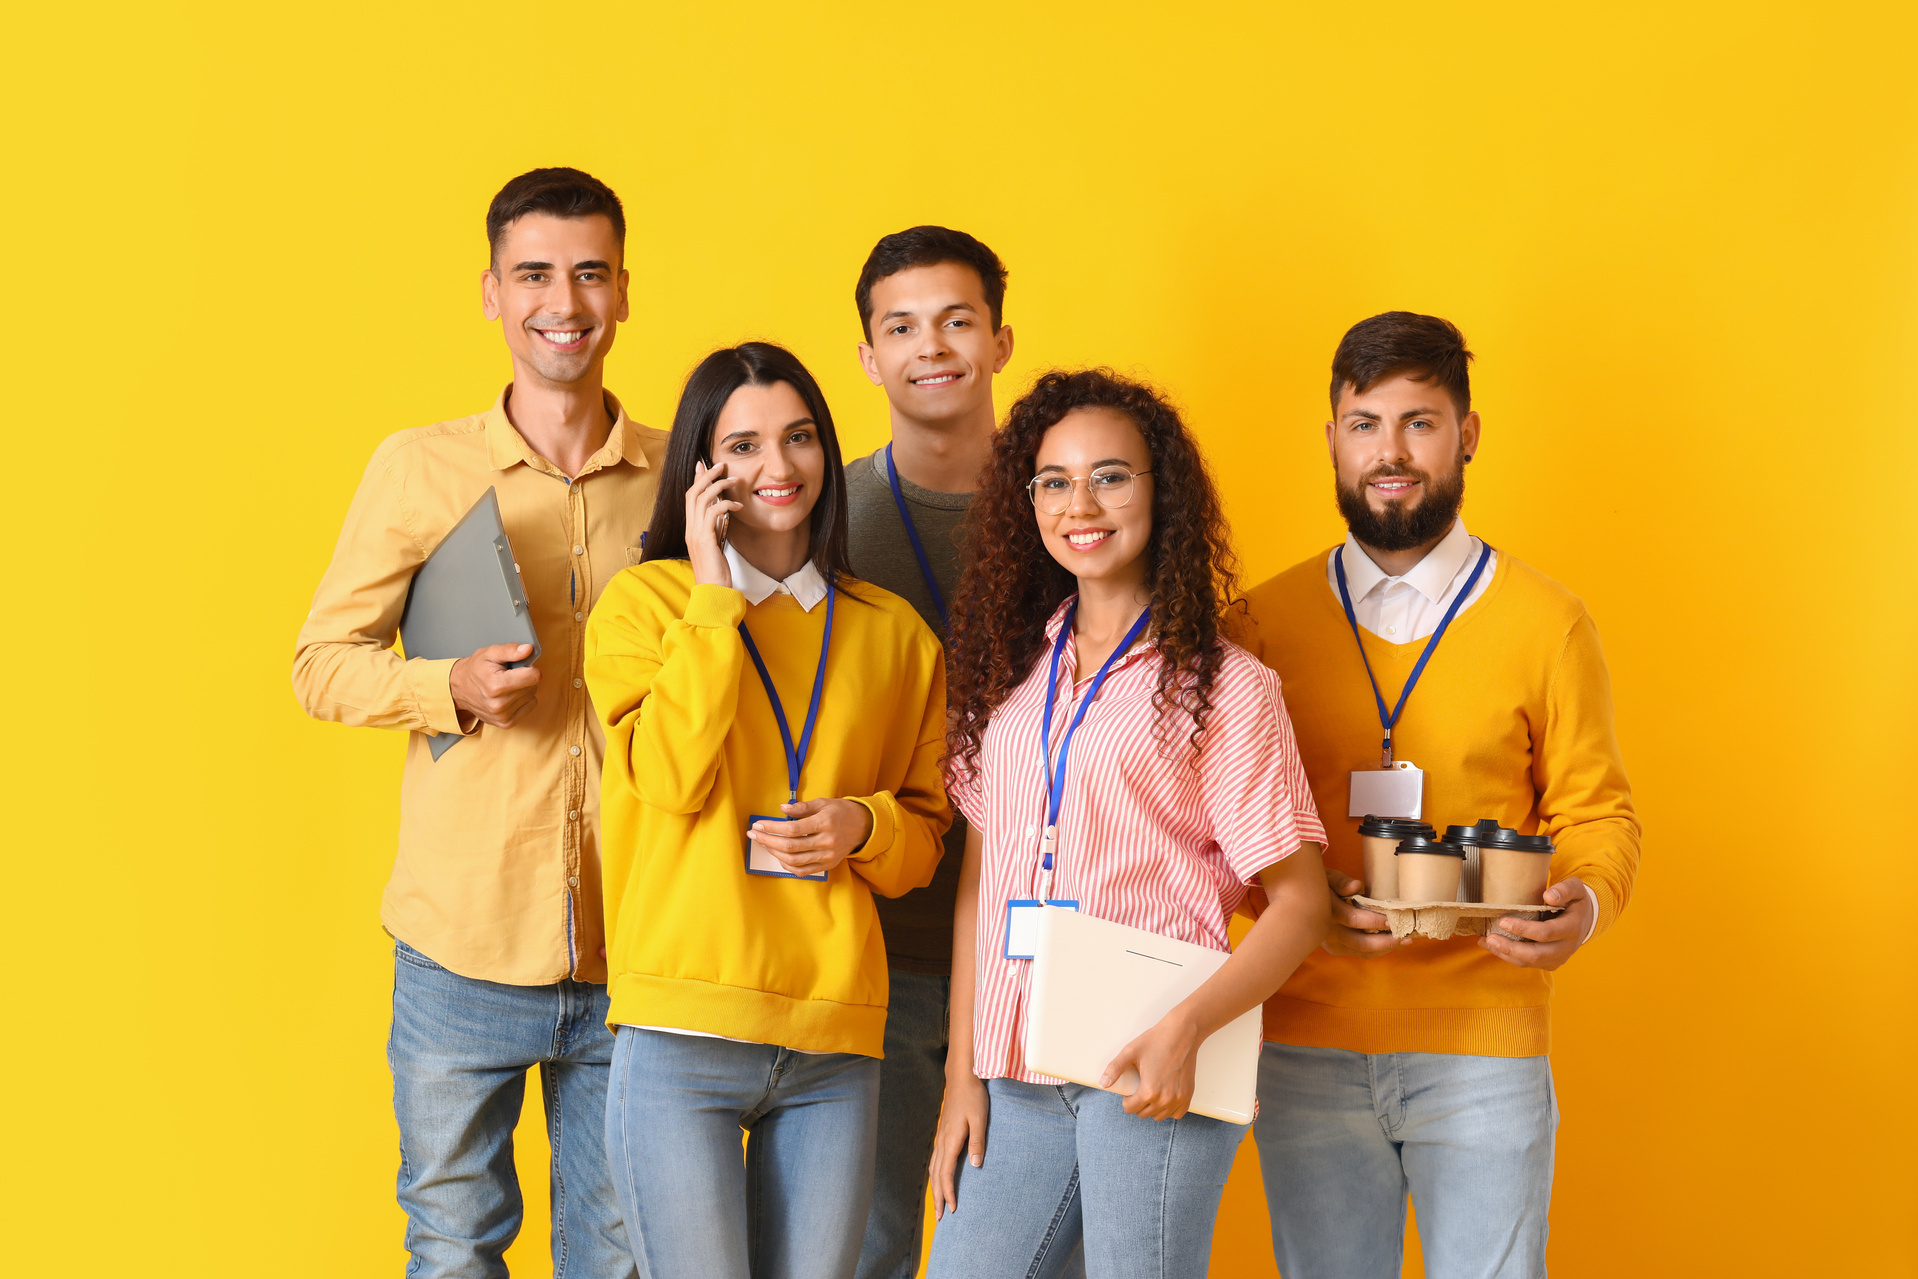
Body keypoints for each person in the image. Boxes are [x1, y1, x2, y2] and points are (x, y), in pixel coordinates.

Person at [291, 167, 656, 1277]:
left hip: (635, 941)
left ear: (624, 291)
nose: (565, 300)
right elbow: (320, 664)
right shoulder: (419, 466)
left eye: (590, 272)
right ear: (492, 292)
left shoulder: (676, 475)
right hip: (462, 943)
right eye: (535, 272)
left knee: (621, 1254)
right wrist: (443, 686)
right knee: (454, 1248)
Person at [1242, 312, 1641, 1277]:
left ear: (1466, 434)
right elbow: (1213, 831)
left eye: (1419, 423)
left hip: (1485, 1045)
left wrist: (1581, 902)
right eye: (1365, 423)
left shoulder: (1550, 623)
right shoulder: (1257, 623)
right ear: (1331, 438)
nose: (1391, 452)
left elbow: (1597, 813)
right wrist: (1285, 900)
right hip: (1304, 1044)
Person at [924, 368, 1330, 1279]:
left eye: (1112, 475)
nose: (1082, 503)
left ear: (1161, 494)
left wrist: (1187, 1029)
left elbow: (1300, 906)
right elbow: (980, 889)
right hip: (1019, 1071)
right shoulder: (1012, 681)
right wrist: (963, 1073)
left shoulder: (1226, 688)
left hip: (1153, 1065)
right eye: (1056, 481)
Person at [584, 342, 952, 1279]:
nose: (777, 469)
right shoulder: (644, 606)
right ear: (700, 471)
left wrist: (862, 825)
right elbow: (666, 777)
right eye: (741, 446)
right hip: (683, 1035)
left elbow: (923, 845)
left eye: (798, 439)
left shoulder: (893, 634)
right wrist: (713, 597)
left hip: (834, 1037)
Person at [843, 225, 1015, 1279]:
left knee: (1035, 1250)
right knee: (863, 1246)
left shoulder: (1075, 505)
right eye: (900, 326)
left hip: (1041, 956)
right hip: (877, 945)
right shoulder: (824, 517)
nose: (932, 346)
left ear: (1000, 340)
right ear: (868, 357)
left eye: (957, 320)